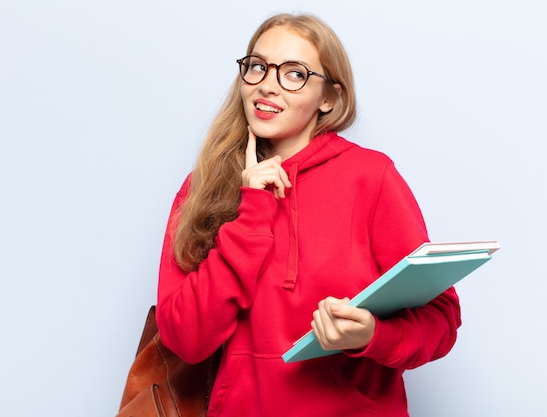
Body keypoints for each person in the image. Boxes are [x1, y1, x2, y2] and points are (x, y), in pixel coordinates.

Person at [156, 13, 461, 417]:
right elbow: (185, 338)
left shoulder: (370, 178)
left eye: (294, 74)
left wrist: (373, 334)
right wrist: (251, 213)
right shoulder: (204, 187)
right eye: (258, 67)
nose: (267, 84)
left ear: (330, 97)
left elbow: (440, 319)